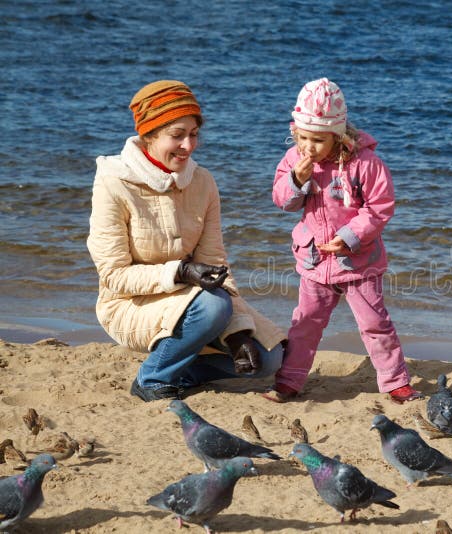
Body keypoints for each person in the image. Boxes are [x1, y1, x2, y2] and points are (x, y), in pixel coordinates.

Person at [87, 80, 286, 402]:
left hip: (194, 301)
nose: (188, 145)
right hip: (127, 304)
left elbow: (217, 267)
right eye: (177, 135)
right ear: (150, 135)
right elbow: (113, 276)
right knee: (212, 304)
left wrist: (237, 333)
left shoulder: (203, 182)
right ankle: (151, 379)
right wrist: (179, 272)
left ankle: (179, 371)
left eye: (193, 134)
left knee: (268, 358)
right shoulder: (113, 182)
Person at [268, 78, 422, 404]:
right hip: (315, 262)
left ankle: (395, 382)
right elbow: (284, 202)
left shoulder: (364, 164)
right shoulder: (294, 160)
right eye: (303, 138)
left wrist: (349, 236)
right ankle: (289, 381)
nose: (309, 147)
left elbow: (380, 208)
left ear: (337, 135)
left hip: (358, 261)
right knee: (304, 325)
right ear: (295, 132)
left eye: (318, 140)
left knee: (375, 323)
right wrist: (297, 179)